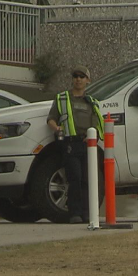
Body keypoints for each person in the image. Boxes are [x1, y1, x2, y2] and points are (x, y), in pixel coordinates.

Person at [47, 65, 104, 224]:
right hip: (70, 143)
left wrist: (93, 135)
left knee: (88, 179)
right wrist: (56, 128)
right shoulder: (62, 98)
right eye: (75, 76)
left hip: (88, 144)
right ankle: (75, 213)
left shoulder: (92, 102)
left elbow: (98, 123)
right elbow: (51, 118)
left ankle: (88, 214)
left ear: (88, 80)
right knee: (75, 178)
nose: (78, 79)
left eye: (82, 76)